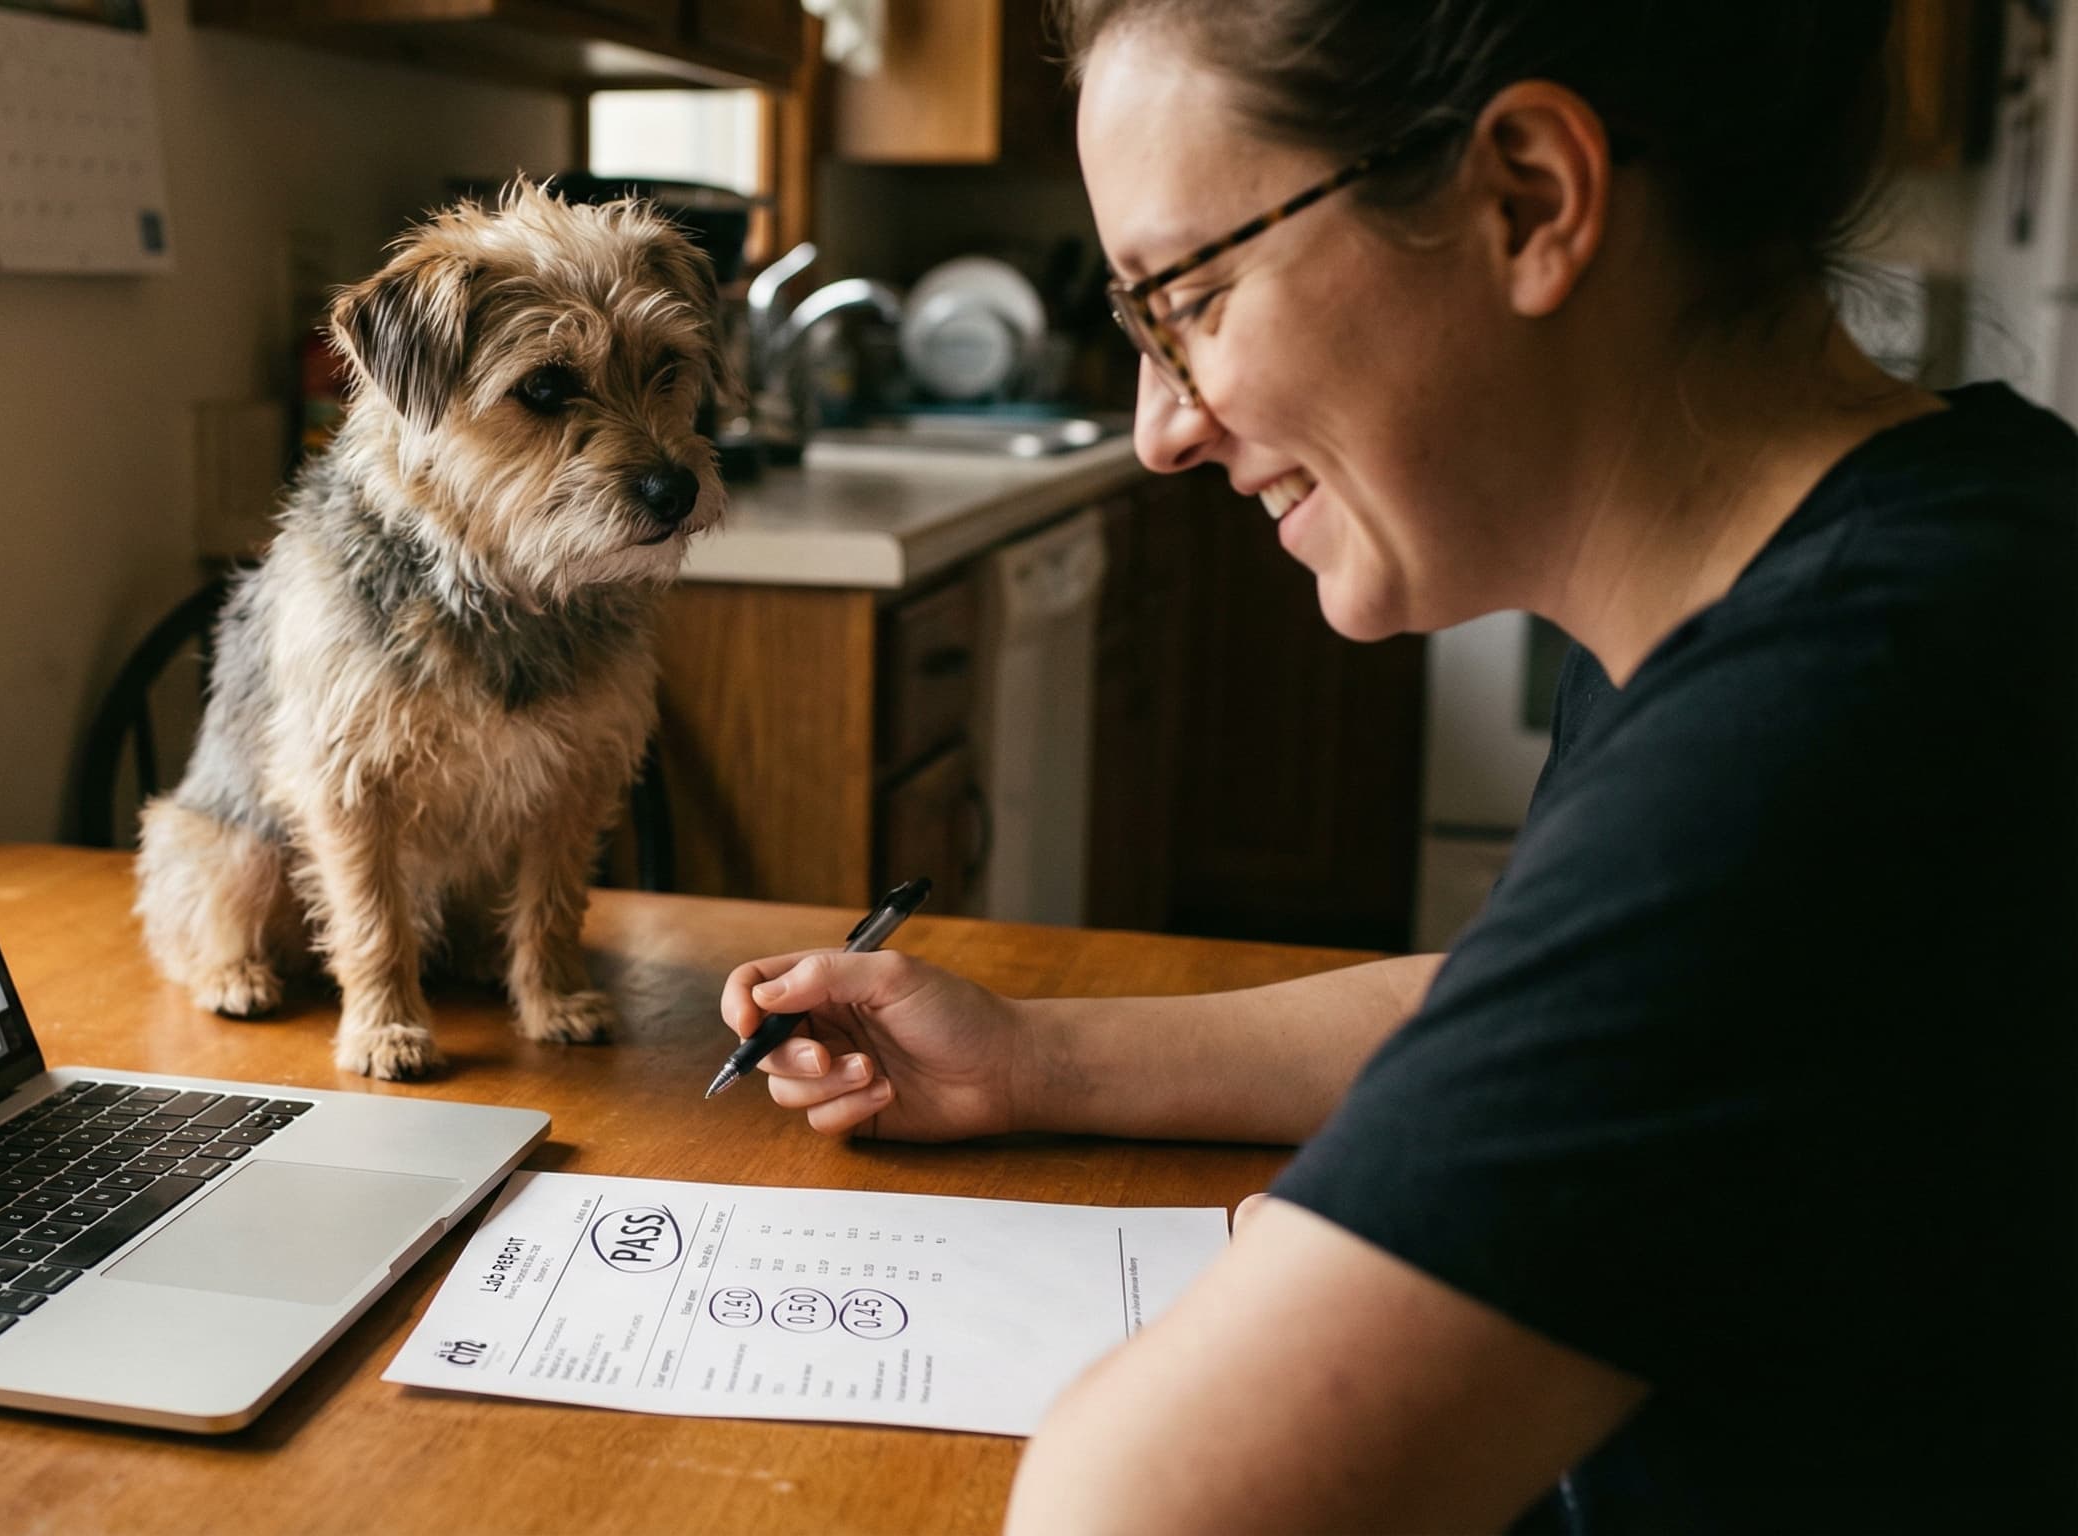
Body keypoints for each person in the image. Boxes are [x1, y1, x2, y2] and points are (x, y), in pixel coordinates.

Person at [716, 1, 2077, 1529]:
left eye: (1188, 299)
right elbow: (1548, 1006)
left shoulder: (1850, 711)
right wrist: (1039, 1061)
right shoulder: (1916, 546)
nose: (1160, 427)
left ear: (1529, 202)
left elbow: (1134, 1513)